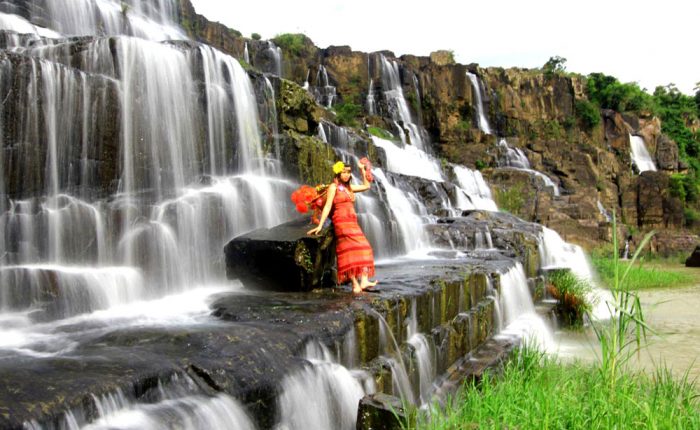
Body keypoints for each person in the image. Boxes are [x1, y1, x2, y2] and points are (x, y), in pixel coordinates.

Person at [307, 160, 378, 293]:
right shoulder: (333, 187)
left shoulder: (349, 188)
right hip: (341, 222)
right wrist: (320, 225)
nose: (346, 175)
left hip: (352, 222)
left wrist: (363, 170)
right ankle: (355, 283)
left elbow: (366, 186)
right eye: (344, 172)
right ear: (338, 173)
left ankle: (361, 282)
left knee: (362, 248)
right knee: (349, 250)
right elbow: (328, 206)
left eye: (349, 172)